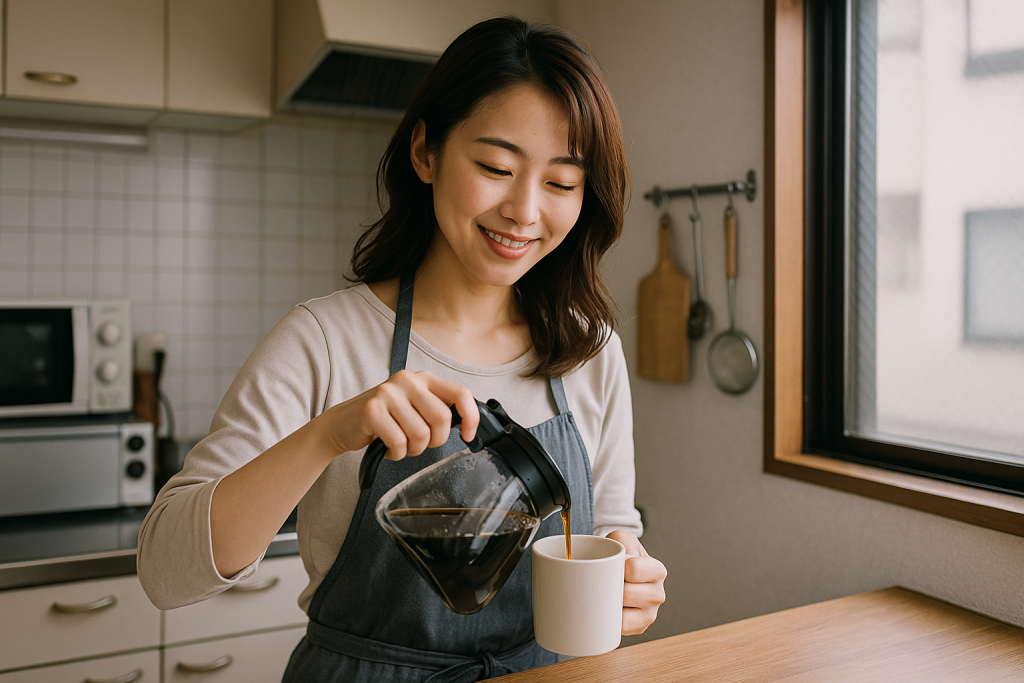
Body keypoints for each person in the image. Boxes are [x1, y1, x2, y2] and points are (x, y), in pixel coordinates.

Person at [137, 15, 666, 682]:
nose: (525, 211)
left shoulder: (590, 352)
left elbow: (616, 527)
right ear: (425, 152)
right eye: (496, 167)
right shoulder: (324, 341)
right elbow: (164, 571)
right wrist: (331, 433)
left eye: (561, 183)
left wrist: (630, 574)